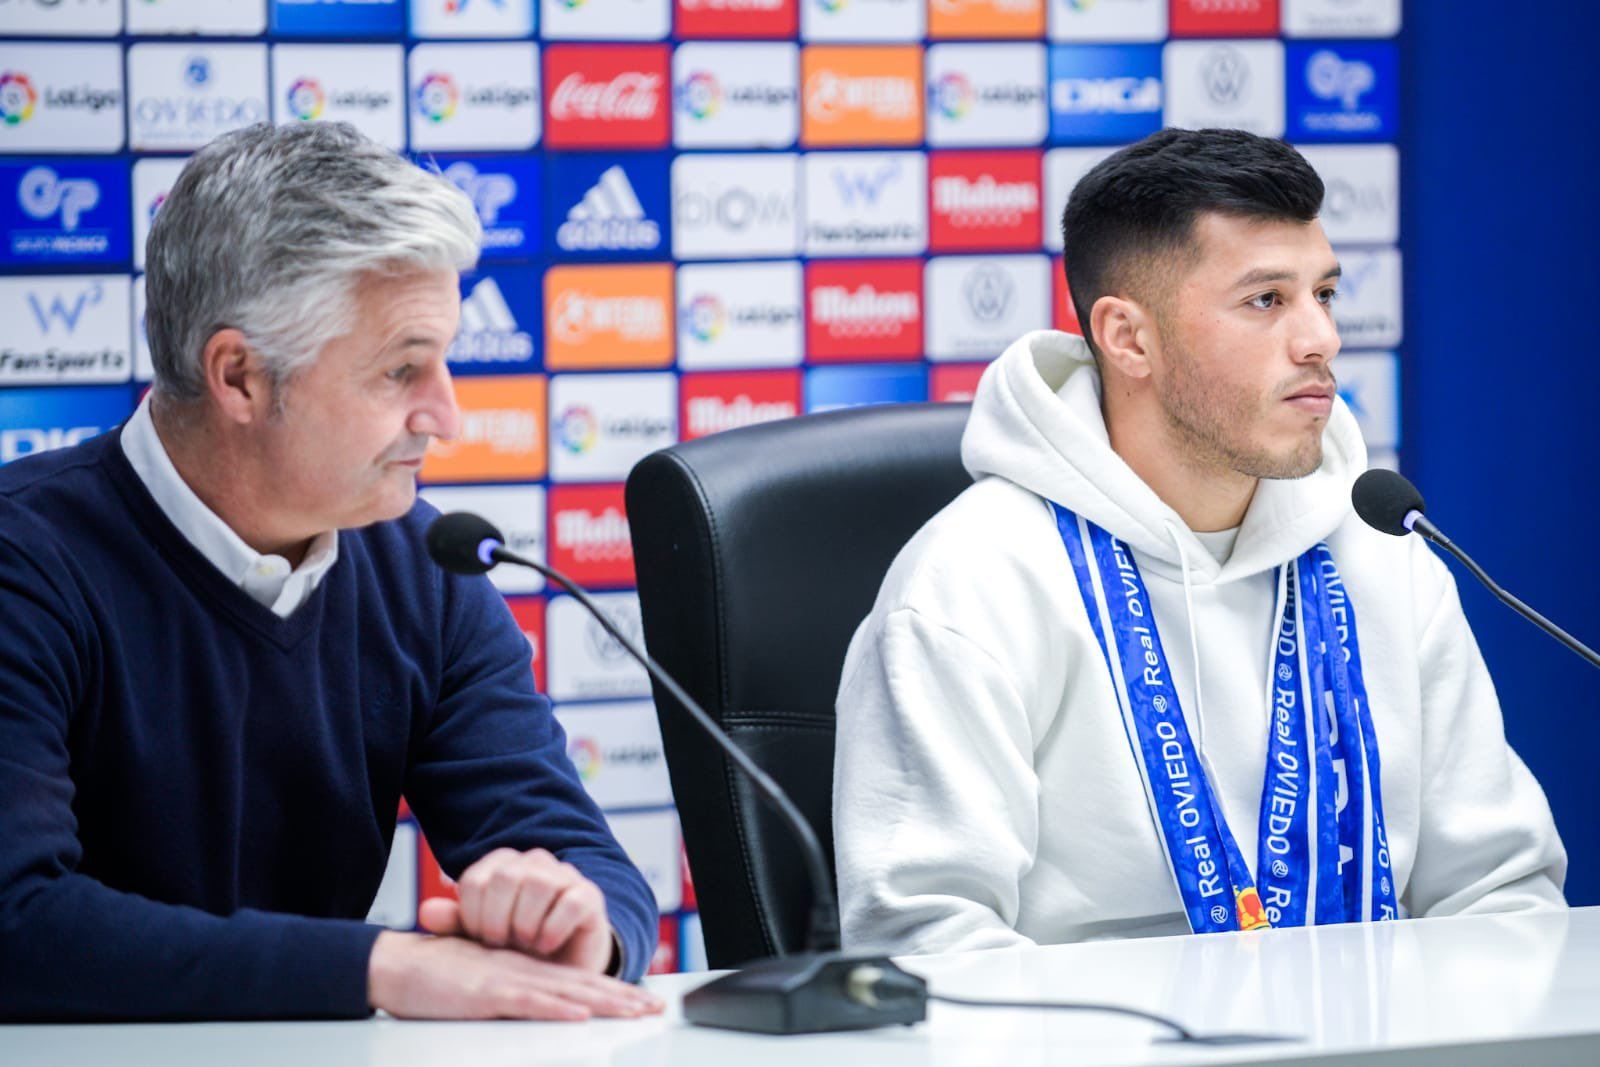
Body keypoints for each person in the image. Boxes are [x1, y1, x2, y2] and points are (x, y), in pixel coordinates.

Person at [832, 127, 1566, 954]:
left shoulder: (1381, 551)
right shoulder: (971, 581)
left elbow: (1504, 896)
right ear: (1129, 338)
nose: (1321, 338)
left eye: (1324, 293)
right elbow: (926, 946)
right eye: (1266, 300)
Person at [0, 122, 661, 1022]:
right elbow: (19, 921)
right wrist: (378, 967)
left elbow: (582, 857)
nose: (448, 416)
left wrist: (581, 924)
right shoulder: (24, 561)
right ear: (240, 377)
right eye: (401, 370)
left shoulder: (428, 568)